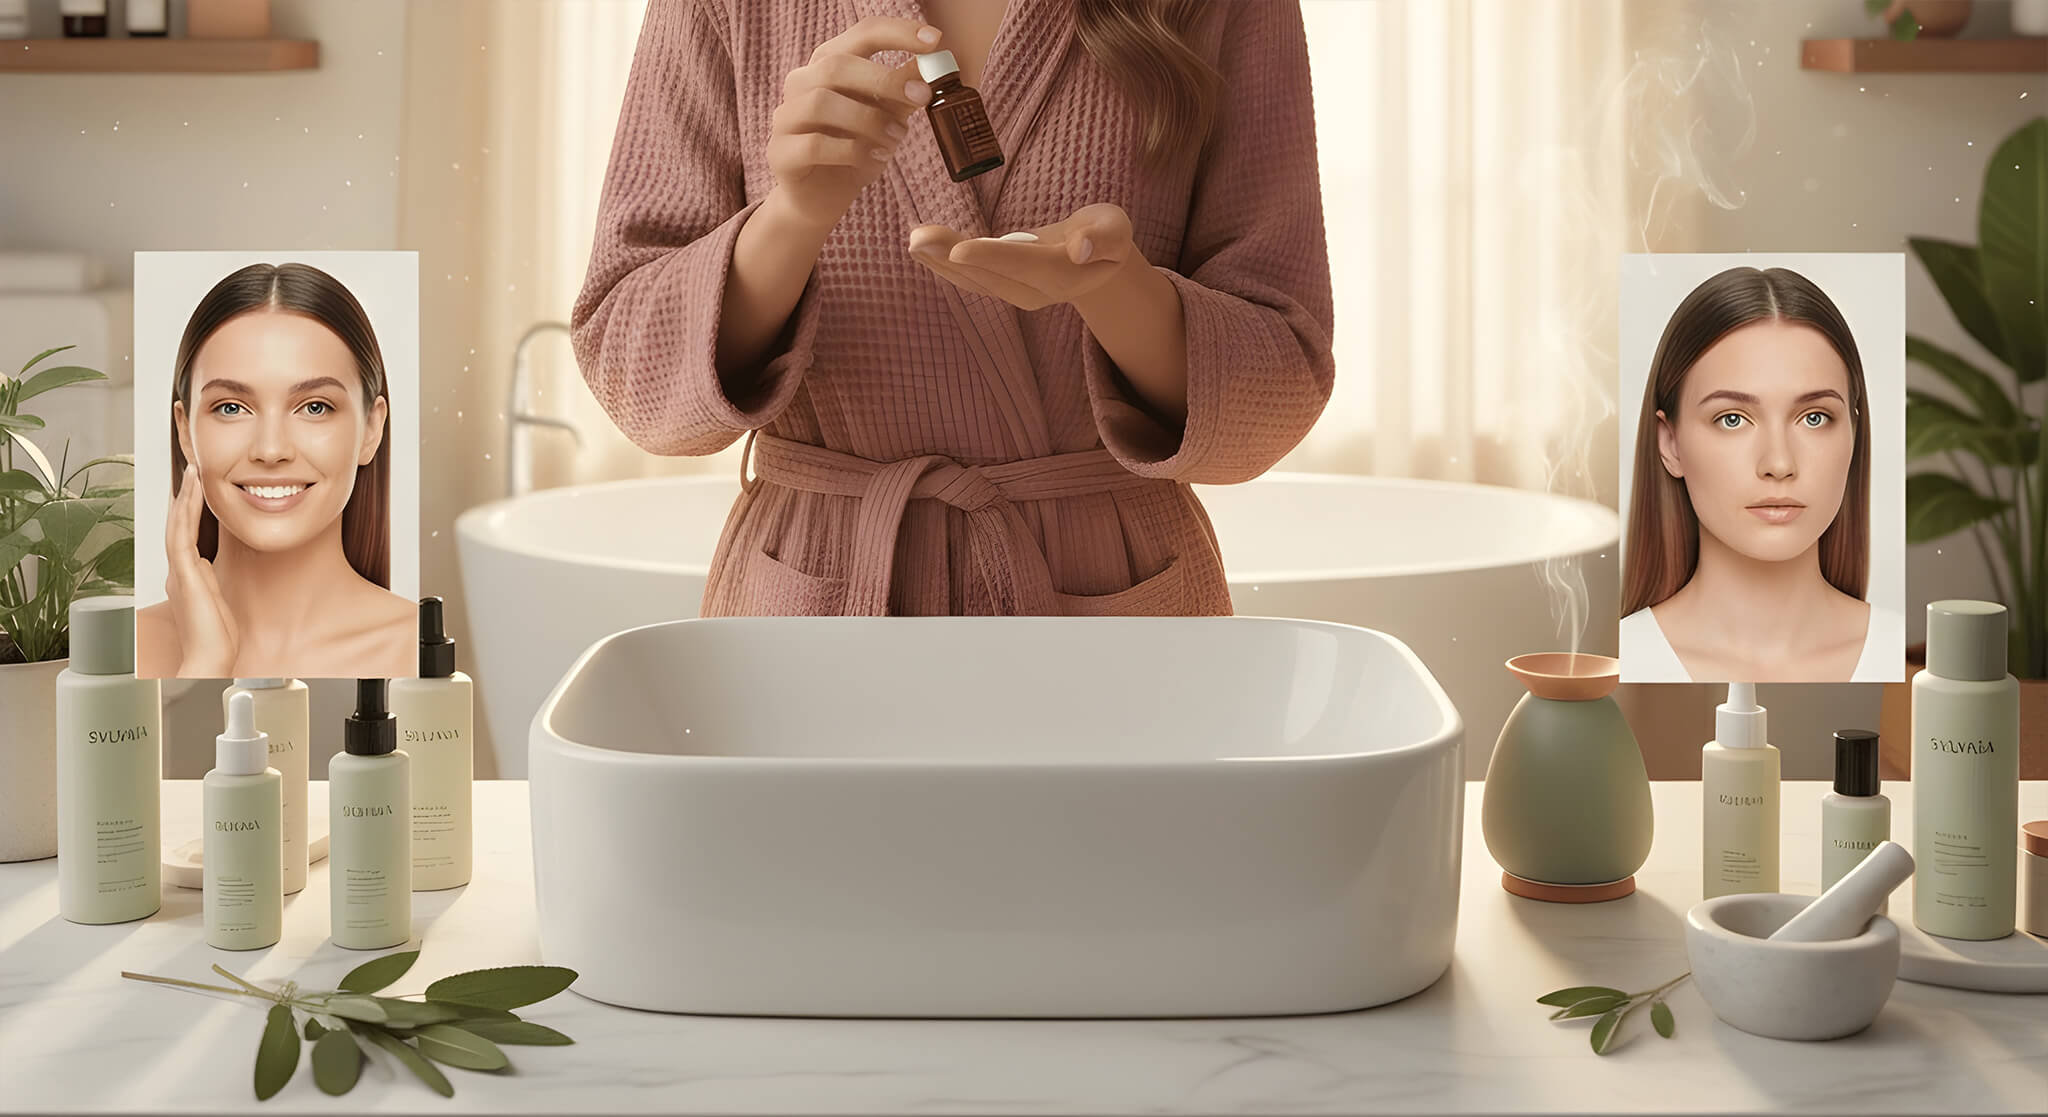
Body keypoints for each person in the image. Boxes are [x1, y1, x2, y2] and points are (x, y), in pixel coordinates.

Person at [572, 0, 1333, 616]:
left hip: (1115, 614)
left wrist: (1117, 291)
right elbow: (635, 380)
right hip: (814, 607)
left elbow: (1281, 383)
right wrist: (791, 219)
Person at [136, 263, 415, 679]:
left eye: (315, 407)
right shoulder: (125, 650)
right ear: (185, 432)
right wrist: (205, 667)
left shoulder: (421, 651)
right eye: (231, 408)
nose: (271, 450)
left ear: (371, 429)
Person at [1620, 265, 1896, 683]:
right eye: (1732, 419)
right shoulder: (1617, 662)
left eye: (1815, 417)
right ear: (1669, 444)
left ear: (1855, 435)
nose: (1779, 464)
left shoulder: (1910, 660)